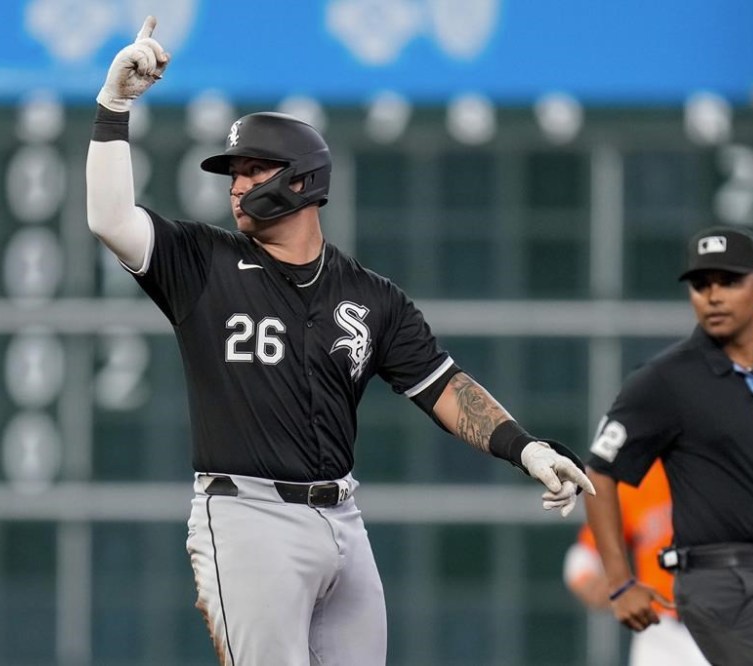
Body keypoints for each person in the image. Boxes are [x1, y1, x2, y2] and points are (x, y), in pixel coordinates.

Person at [85, 16, 595, 666]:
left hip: (343, 520)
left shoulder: (371, 296)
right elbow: (109, 218)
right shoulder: (201, 263)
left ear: (303, 180)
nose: (237, 185)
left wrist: (526, 450)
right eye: (233, 173)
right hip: (248, 517)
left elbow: (442, 385)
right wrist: (115, 103)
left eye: (254, 169)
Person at [584, 225, 753, 665]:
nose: (713, 295)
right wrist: (620, 582)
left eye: (729, 281)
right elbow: (600, 470)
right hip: (725, 579)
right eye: (702, 285)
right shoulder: (666, 380)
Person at [564, 460, 708, 665]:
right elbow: (584, 555)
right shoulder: (637, 476)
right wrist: (592, 581)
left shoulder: (722, 469)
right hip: (660, 630)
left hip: (725, 622)